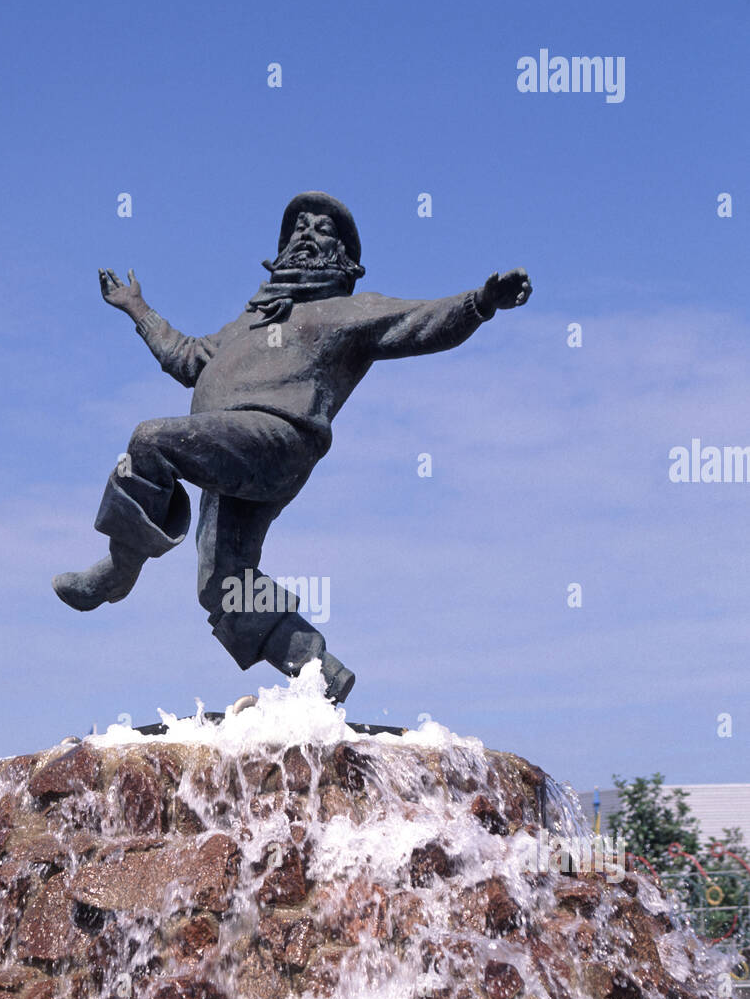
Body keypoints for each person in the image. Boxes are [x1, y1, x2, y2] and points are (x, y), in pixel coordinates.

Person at [53, 192, 531, 703]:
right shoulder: (248, 322)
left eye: (322, 228)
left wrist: (480, 304)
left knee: (149, 441)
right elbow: (187, 358)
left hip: (276, 439)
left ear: (345, 259)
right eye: (298, 227)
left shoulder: (350, 312)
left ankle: (120, 570)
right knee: (224, 587)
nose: (306, 233)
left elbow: (420, 322)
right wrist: (137, 308)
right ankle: (320, 673)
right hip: (223, 451)